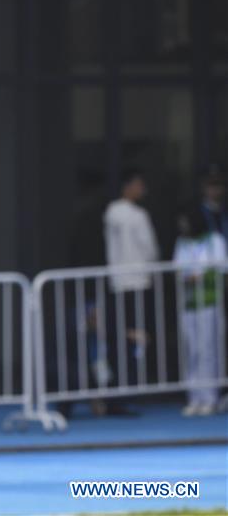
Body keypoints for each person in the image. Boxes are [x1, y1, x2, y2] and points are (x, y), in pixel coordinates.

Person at [101, 168, 159, 412]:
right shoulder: (137, 215)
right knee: (135, 338)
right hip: (137, 281)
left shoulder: (111, 212)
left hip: (118, 282)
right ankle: (126, 391)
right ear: (129, 186)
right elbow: (150, 249)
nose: (142, 190)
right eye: (139, 184)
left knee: (122, 338)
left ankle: (121, 391)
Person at [173, 206, 227, 416]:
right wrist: (189, 276)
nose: (183, 226)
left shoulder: (214, 241)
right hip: (189, 304)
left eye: (186, 221)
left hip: (209, 302)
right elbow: (177, 269)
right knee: (192, 350)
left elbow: (222, 268)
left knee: (208, 350)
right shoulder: (182, 243)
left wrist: (203, 276)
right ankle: (194, 397)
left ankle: (210, 397)